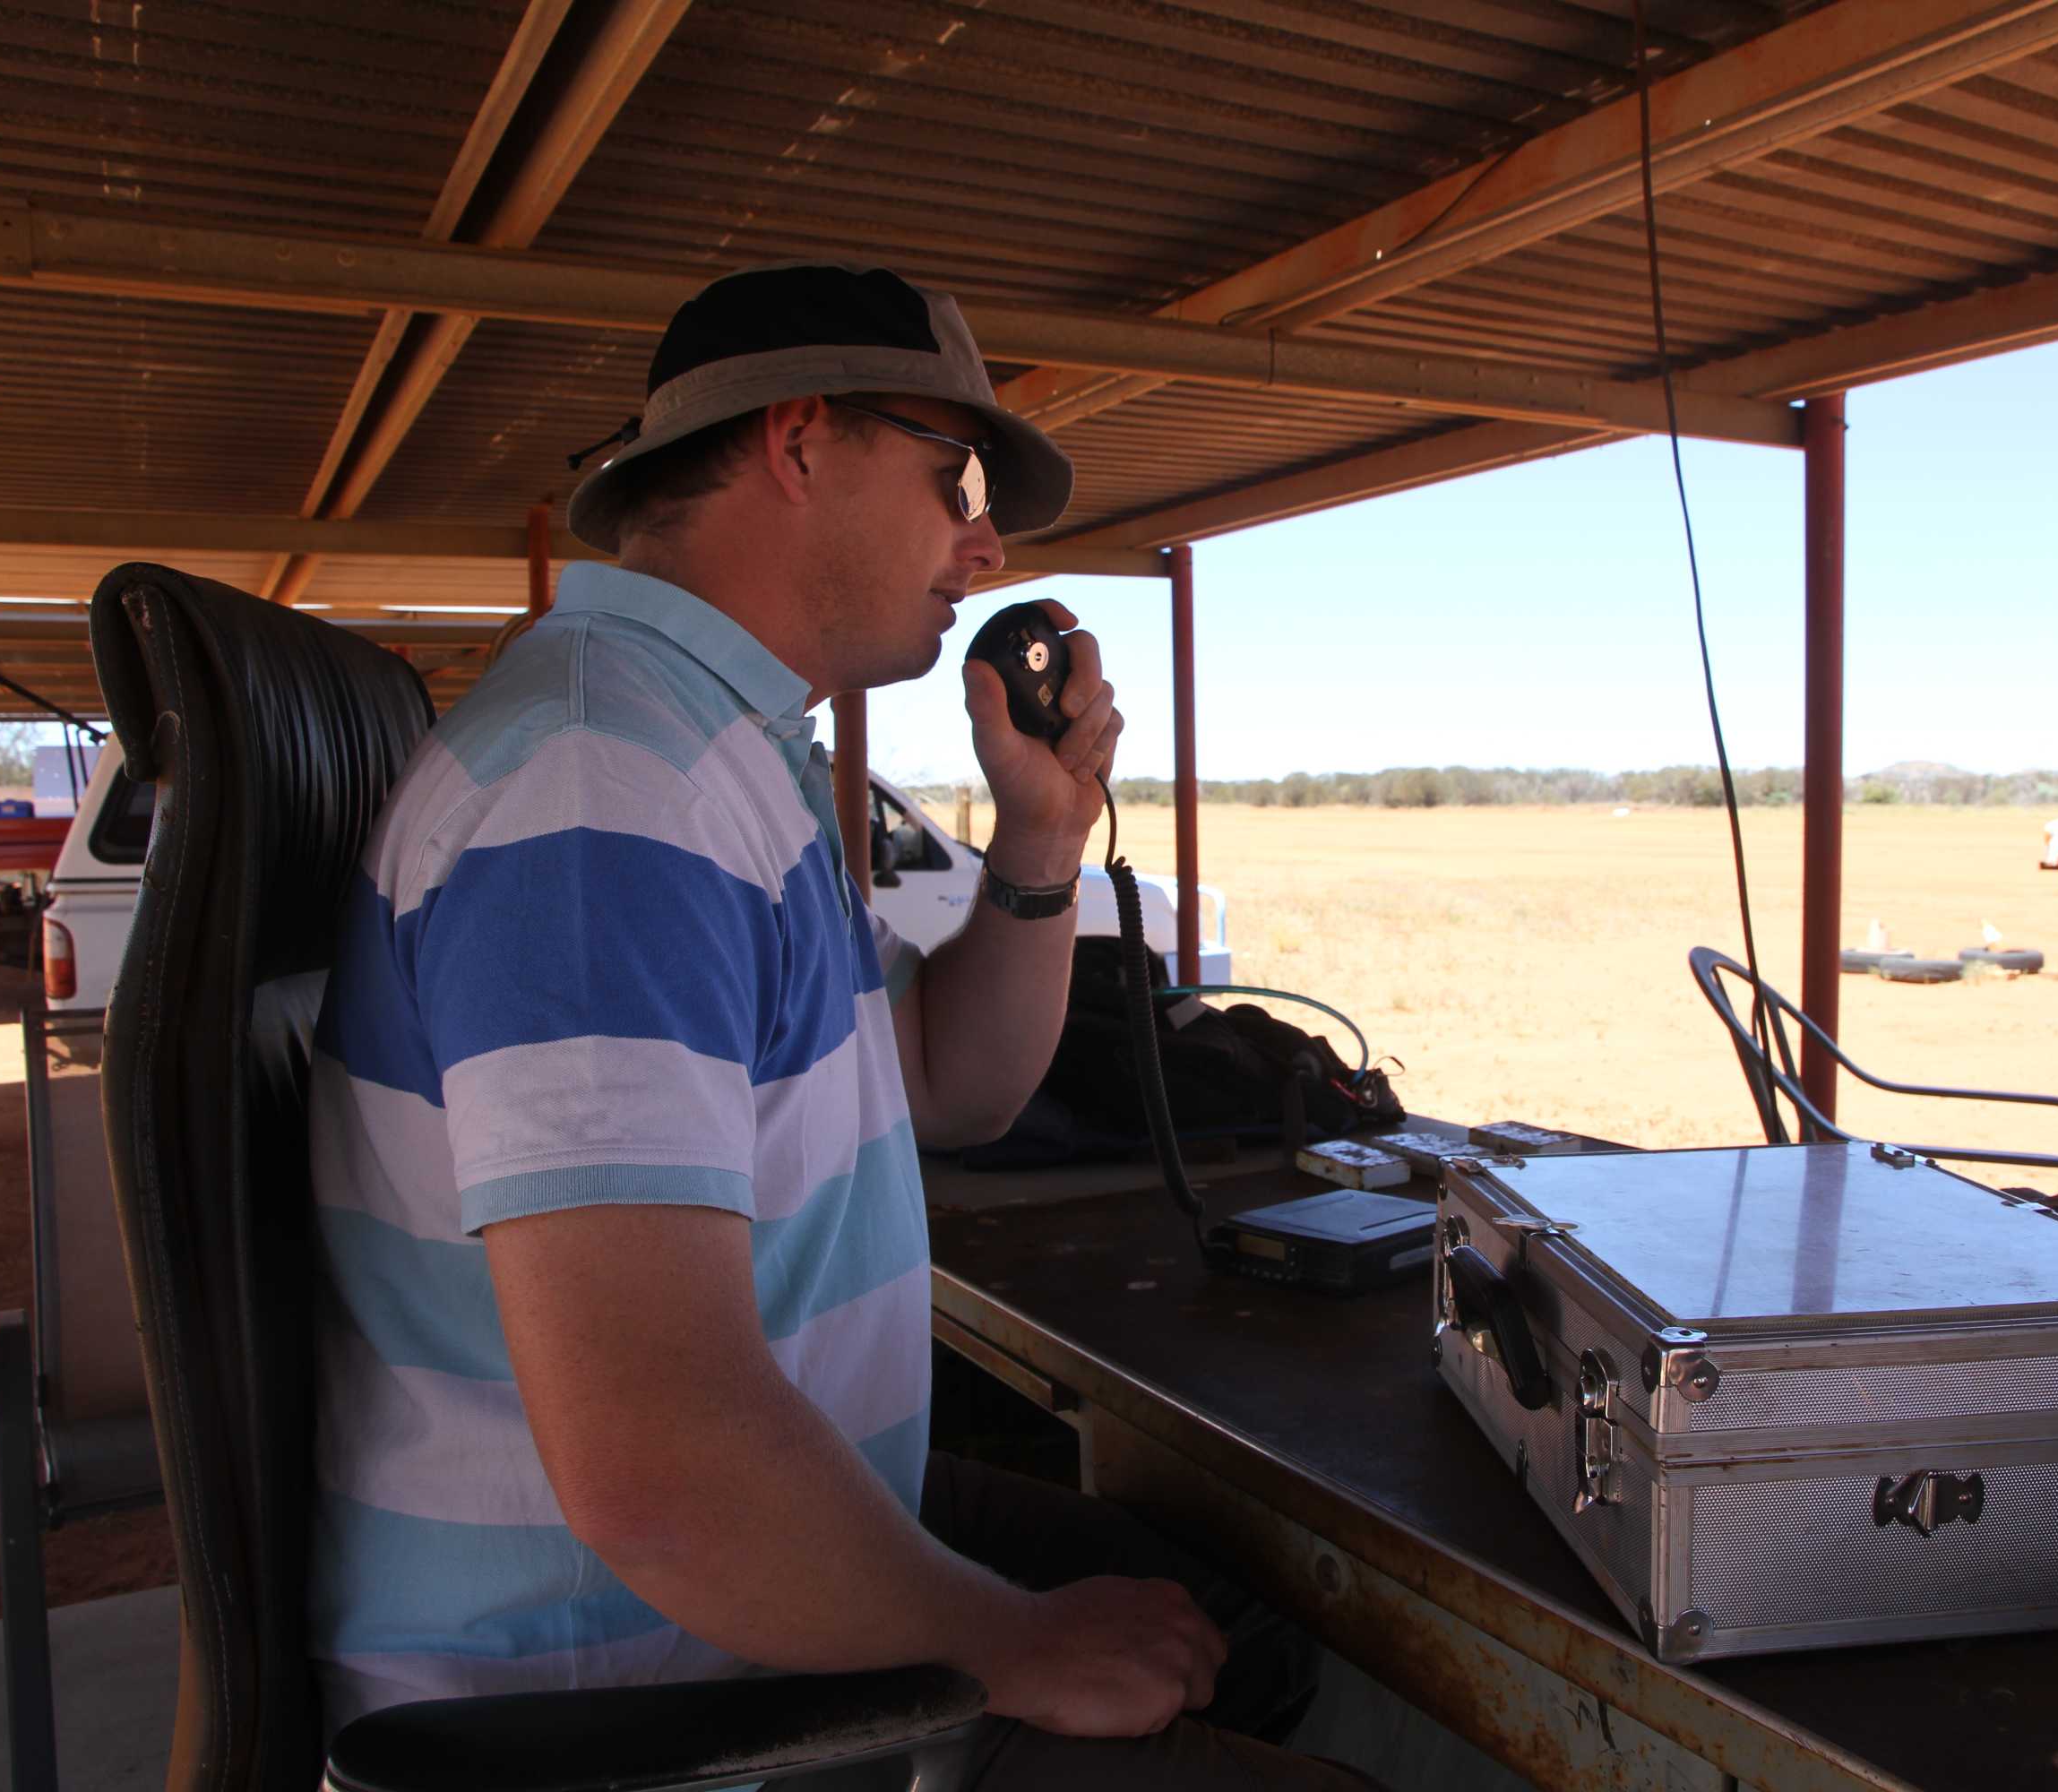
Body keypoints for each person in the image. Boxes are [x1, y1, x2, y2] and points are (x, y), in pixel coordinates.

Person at [306, 262, 1375, 1788]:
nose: (985, 541)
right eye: (954, 478)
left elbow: (952, 1084)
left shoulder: (716, 753)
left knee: (1236, 1625)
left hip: (723, 1579)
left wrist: (1038, 845)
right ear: (801, 443)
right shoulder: (609, 791)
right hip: (627, 1691)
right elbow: (661, 1458)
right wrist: (1008, 1644)